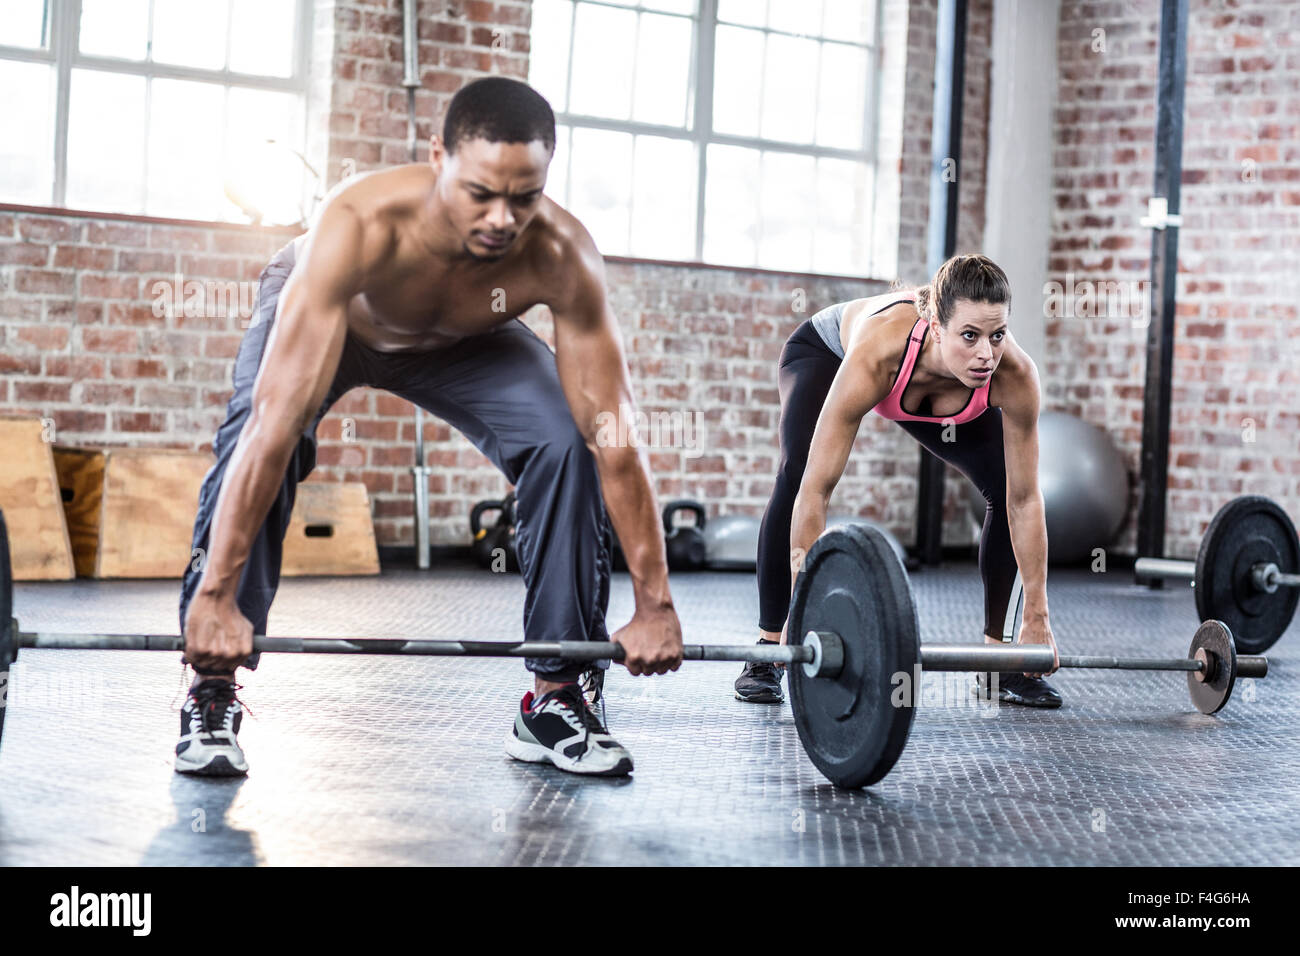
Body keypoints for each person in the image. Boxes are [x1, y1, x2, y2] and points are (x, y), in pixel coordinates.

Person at [176, 77, 683, 779]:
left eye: (524, 197)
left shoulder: (563, 256)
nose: (503, 218)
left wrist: (654, 603)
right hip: (345, 324)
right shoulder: (359, 224)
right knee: (263, 438)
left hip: (466, 343)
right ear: (437, 154)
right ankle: (212, 683)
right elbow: (272, 424)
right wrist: (214, 597)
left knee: (565, 441)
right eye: (481, 193)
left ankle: (557, 696)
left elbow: (614, 438)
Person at [734, 254, 1061, 707]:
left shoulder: (1013, 374)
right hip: (827, 353)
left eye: (997, 335)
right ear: (935, 325)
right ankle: (769, 650)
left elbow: (1024, 501)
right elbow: (816, 489)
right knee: (796, 472)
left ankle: (1001, 663)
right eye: (970, 336)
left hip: (929, 387)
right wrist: (806, 607)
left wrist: (1038, 617)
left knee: (1006, 487)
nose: (986, 354)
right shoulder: (878, 352)